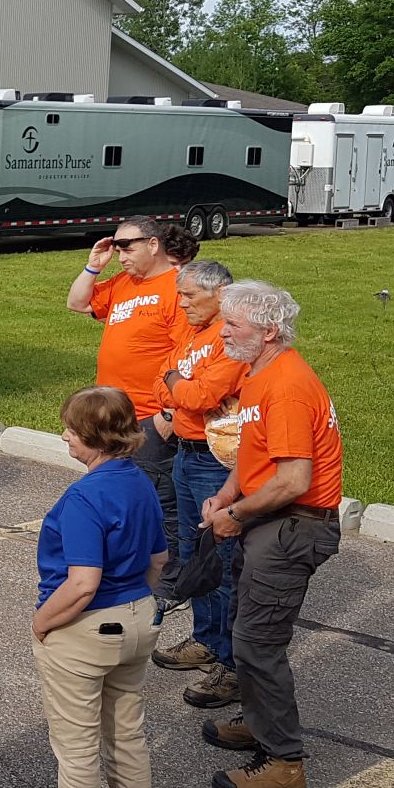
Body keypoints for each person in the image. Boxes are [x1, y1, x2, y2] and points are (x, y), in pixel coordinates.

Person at [200, 281, 343, 788]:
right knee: (246, 631)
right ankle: (258, 723)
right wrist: (225, 494)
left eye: (233, 324)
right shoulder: (260, 373)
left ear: (269, 331)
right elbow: (252, 451)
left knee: (259, 644)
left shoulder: (285, 385)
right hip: (272, 521)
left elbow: (293, 480)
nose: (223, 332)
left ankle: (284, 764)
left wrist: (234, 514)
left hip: (292, 525)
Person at [31, 386, 168, 788]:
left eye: (71, 428)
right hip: (138, 619)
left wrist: (42, 622)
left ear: (92, 437)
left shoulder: (85, 496)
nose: (65, 435)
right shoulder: (139, 480)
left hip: (86, 629)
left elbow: (83, 582)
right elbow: (159, 558)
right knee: (126, 735)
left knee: (78, 748)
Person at [65, 216, 197, 600]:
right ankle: (131, 565)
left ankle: (170, 581)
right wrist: (94, 264)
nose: (120, 254)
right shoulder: (124, 283)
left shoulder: (175, 287)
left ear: (153, 245)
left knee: (158, 499)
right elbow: (76, 303)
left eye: (127, 246)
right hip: (115, 414)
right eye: (116, 246)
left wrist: (168, 414)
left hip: (150, 415)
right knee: (122, 494)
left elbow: (185, 354)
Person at [150, 259, 249, 709]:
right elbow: (163, 381)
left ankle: (229, 664)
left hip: (214, 461)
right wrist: (177, 384)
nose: (181, 303)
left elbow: (201, 395)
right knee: (193, 554)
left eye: (190, 295)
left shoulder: (227, 339)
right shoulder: (192, 333)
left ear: (221, 293)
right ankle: (205, 640)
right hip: (186, 455)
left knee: (223, 562)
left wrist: (178, 386)